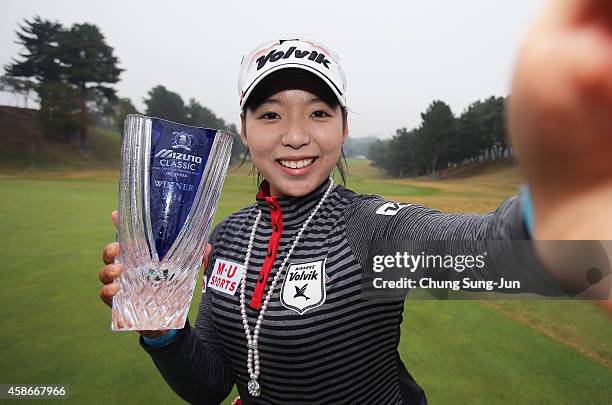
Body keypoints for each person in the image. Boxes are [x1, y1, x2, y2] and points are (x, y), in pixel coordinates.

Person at [99, 2, 612, 403]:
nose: (295, 136)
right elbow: (211, 387)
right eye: (271, 114)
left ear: (344, 127)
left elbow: (497, 251)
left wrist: (566, 200)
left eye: (319, 113)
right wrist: (163, 327)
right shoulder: (228, 236)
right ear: (244, 130)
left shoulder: (370, 232)